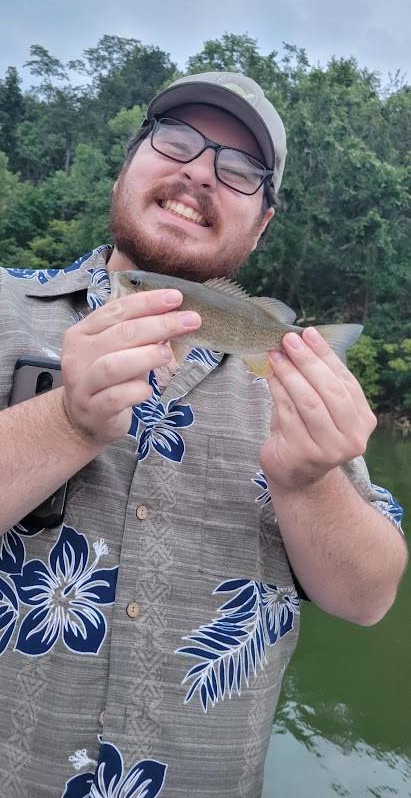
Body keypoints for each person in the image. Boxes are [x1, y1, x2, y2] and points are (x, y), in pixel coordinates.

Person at [0, 71, 407, 798]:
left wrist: (307, 481)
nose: (198, 171)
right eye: (177, 140)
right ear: (127, 165)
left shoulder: (294, 385)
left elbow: (368, 598)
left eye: (240, 169)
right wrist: (65, 421)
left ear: (262, 225)